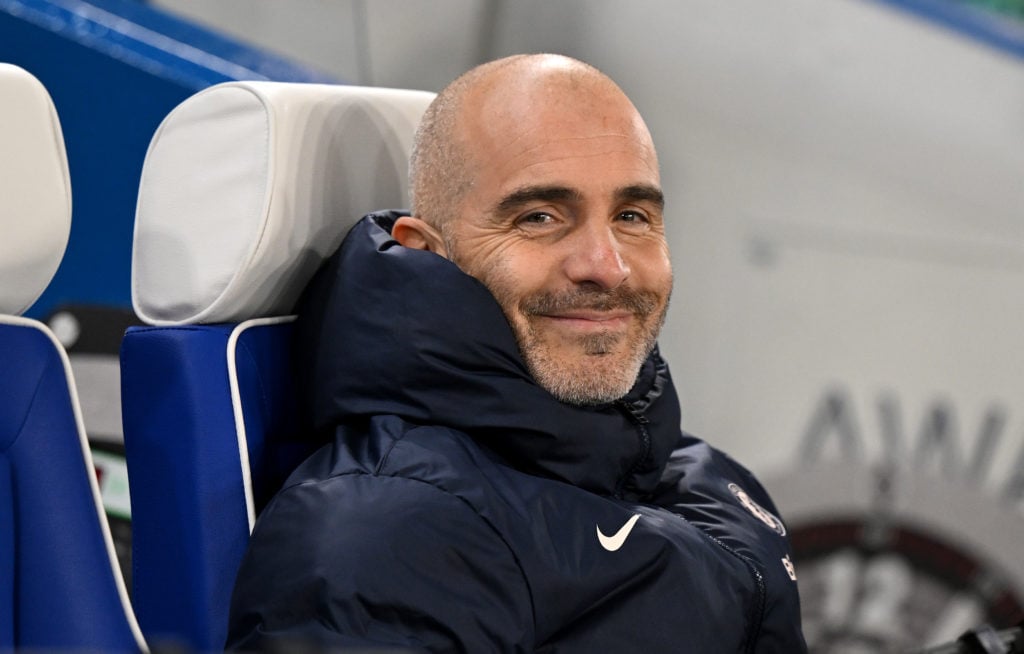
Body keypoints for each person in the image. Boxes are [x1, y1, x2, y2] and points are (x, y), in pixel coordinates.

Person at [227, 53, 807, 653]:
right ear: (428, 251)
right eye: (540, 217)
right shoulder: (386, 535)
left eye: (632, 216)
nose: (606, 268)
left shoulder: (694, 472)